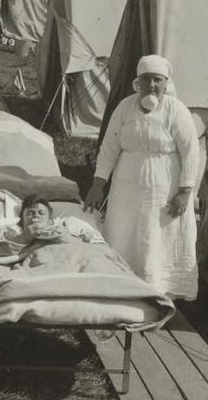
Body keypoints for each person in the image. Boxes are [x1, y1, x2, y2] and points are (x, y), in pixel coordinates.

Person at [83, 54, 201, 299]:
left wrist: (185, 191)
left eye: (157, 80)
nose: (152, 85)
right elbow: (109, 147)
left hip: (164, 189)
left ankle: (157, 291)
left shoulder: (176, 110)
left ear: (165, 83)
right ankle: (120, 286)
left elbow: (191, 151)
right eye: (146, 79)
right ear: (138, 83)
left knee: (156, 238)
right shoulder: (125, 107)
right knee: (124, 231)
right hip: (127, 186)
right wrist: (98, 184)